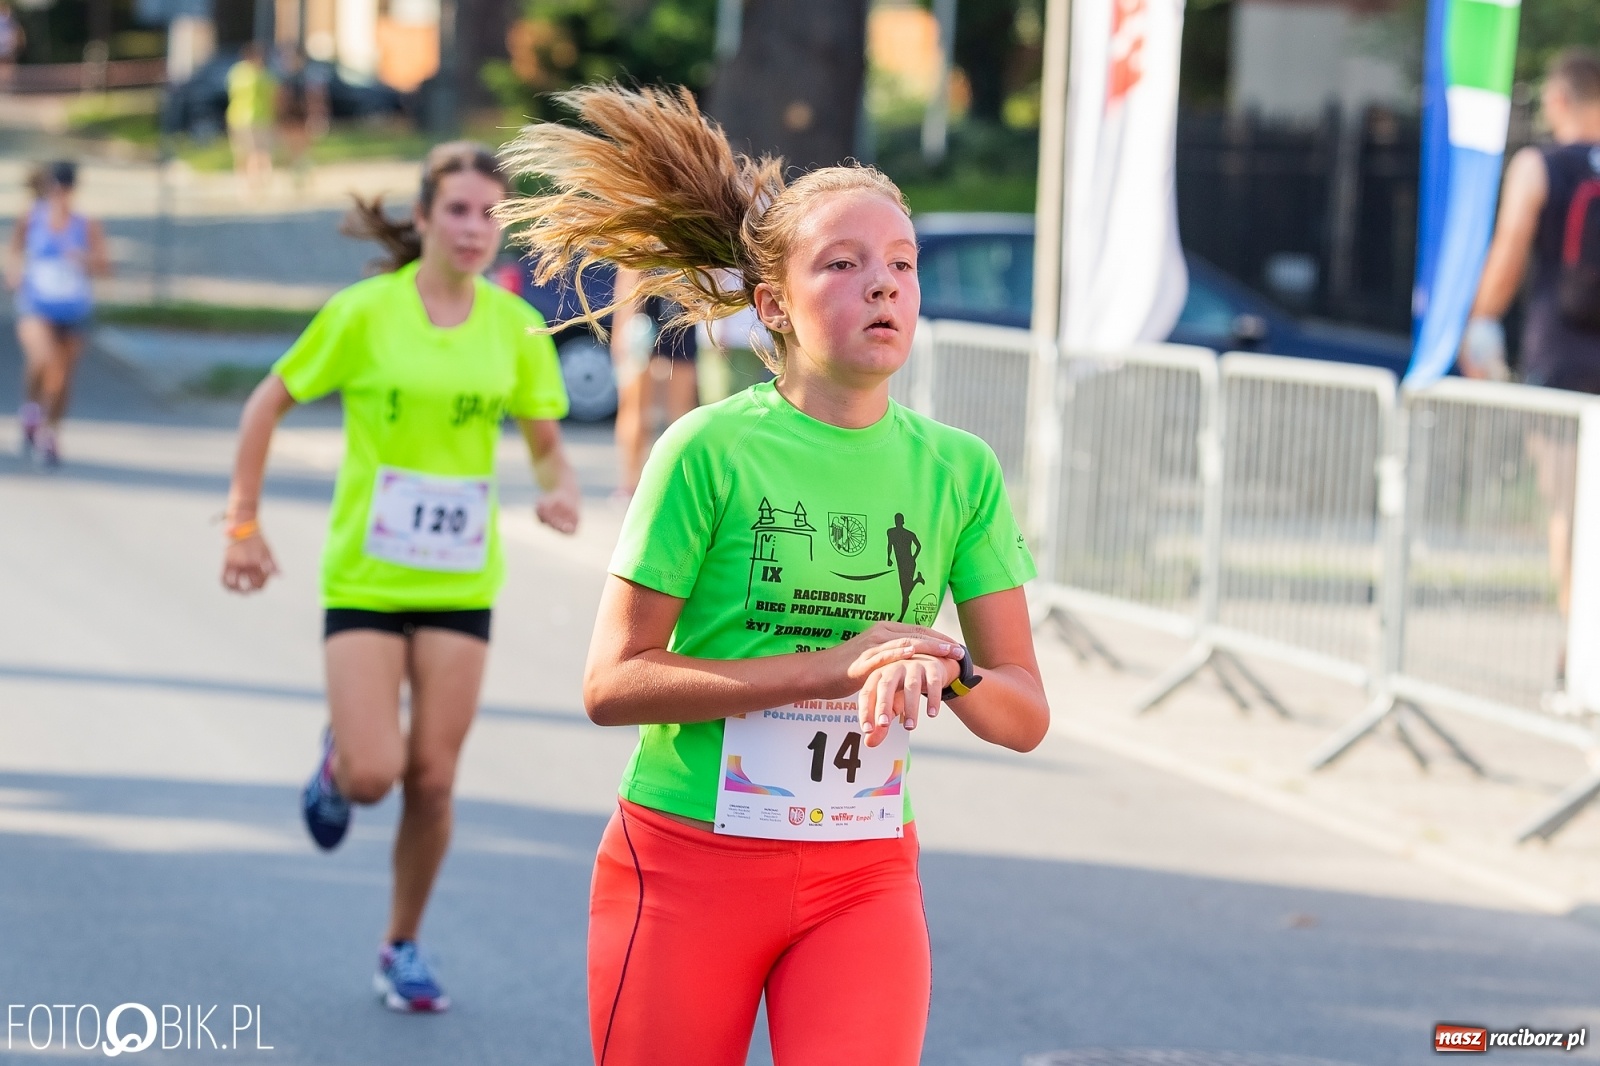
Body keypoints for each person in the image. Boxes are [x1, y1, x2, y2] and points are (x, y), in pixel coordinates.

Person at [499, 86, 1050, 1066]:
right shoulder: (706, 450)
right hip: (685, 860)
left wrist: (944, 665)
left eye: (900, 265)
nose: (882, 286)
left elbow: (1022, 711)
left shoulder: (958, 469)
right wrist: (832, 665)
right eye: (843, 264)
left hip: (863, 873)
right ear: (773, 306)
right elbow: (611, 684)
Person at [219, 142, 581, 1013]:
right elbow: (267, 402)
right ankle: (339, 756)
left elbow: (543, 441)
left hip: (460, 583)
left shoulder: (514, 328)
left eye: (491, 213)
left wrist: (561, 489)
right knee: (377, 773)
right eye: (457, 209)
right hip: (368, 581)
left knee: (434, 779)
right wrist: (243, 523)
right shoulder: (364, 313)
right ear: (422, 219)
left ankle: (402, 945)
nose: (474, 228)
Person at [1468, 48, 1600, 683]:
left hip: (1561, 363)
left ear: (1558, 100)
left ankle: (1578, 653)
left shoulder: (1540, 166)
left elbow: (1512, 244)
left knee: (1569, 513)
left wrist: (1478, 321)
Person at [7, 160, 108, 467]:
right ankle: (31, 411)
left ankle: (51, 433)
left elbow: (104, 266)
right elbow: (14, 251)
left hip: (73, 308)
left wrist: (84, 259)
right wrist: (14, 275)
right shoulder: (31, 219)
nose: (60, 194)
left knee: (63, 376)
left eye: (65, 188)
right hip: (37, 304)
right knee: (43, 360)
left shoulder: (85, 224)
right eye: (55, 188)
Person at [609, 267, 698, 493]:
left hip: (676, 314)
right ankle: (632, 482)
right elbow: (629, 275)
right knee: (639, 409)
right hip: (650, 315)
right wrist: (622, 328)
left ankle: (670, 482)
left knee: (679, 413)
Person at [227, 43, 277, 197]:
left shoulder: (236, 73)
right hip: (258, 117)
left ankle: (245, 182)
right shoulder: (262, 75)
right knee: (258, 152)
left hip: (237, 117)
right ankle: (257, 182)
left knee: (243, 152)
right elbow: (274, 97)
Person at [275, 46, 329, 189]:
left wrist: (317, 116)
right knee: (291, 150)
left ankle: (305, 176)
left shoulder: (306, 77)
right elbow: (279, 100)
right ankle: (297, 176)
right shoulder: (284, 78)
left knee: (303, 150)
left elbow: (315, 98)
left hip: (302, 117)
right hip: (289, 118)